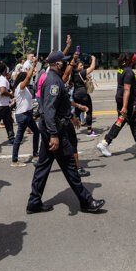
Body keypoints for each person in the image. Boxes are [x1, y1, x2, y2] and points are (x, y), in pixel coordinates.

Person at [26, 51, 105, 215]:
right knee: (70, 166)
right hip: (55, 131)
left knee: (42, 167)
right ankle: (86, 201)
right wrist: (54, 134)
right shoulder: (53, 81)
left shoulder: (55, 80)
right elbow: (49, 109)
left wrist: (71, 116)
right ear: (57, 64)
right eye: (63, 62)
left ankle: (34, 202)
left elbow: (61, 103)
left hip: (53, 128)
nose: (66, 64)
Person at [97, 53, 136, 160]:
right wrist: (125, 106)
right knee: (135, 124)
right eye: (135, 60)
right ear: (132, 61)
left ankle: (105, 142)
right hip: (128, 103)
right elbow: (126, 89)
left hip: (122, 100)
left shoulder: (121, 70)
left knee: (121, 122)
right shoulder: (129, 72)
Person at [10, 59, 40, 167]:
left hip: (27, 114)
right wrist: (33, 65)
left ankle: (35, 154)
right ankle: (14, 160)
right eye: (26, 79)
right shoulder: (20, 87)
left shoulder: (24, 89)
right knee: (18, 138)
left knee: (36, 132)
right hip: (23, 115)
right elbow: (28, 77)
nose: (28, 80)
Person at [72, 55, 97, 136]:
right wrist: (93, 59)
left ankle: (70, 128)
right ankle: (89, 130)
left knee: (77, 111)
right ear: (77, 66)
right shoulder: (81, 72)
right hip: (83, 94)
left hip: (75, 94)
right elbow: (92, 67)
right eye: (80, 65)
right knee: (89, 111)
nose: (82, 67)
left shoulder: (73, 73)